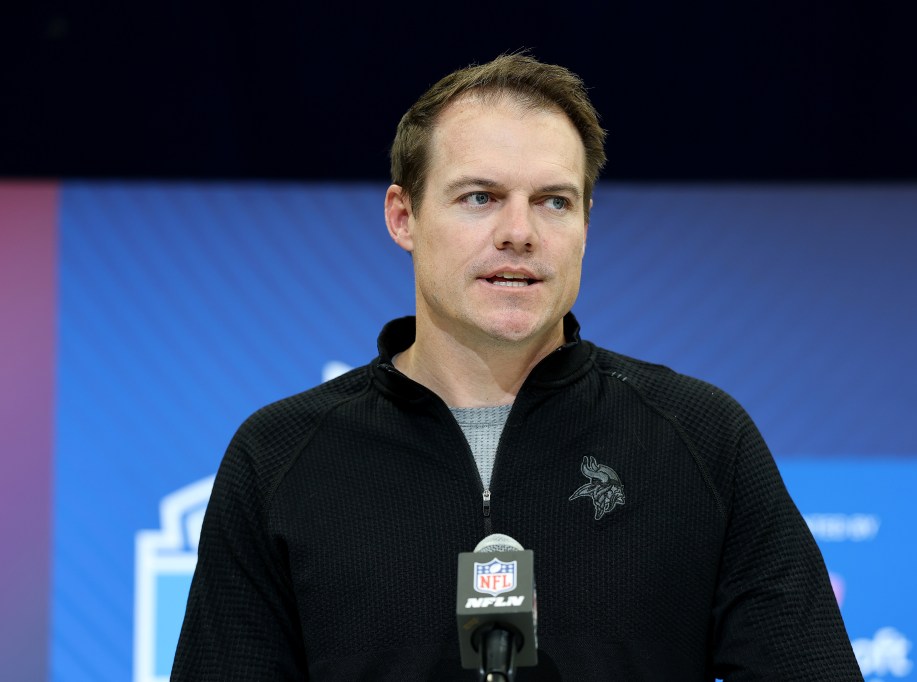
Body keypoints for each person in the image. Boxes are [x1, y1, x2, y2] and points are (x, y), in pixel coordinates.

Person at [171, 53, 863, 680]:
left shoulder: (702, 439)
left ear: (587, 222)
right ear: (403, 215)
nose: (519, 232)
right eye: (481, 197)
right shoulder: (280, 458)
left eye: (553, 202)